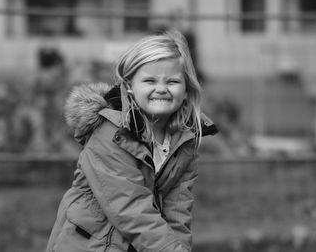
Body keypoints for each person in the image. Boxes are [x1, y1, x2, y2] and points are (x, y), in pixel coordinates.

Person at [46, 30, 217, 252]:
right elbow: (130, 207)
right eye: (149, 80)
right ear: (129, 86)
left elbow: (178, 210)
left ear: (186, 90)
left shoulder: (184, 140)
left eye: (173, 81)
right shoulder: (110, 133)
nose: (161, 89)